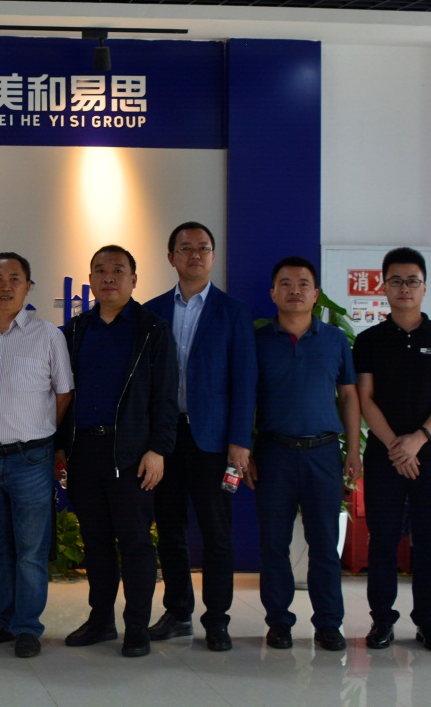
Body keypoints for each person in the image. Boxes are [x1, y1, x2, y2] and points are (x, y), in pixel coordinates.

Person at [56, 245, 177, 658]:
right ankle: (101, 620)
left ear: (134, 279)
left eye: (118, 270)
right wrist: (60, 447)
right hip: (83, 450)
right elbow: (61, 395)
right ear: (90, 279)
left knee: (136, 541)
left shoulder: (152, 329)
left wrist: (158, 449)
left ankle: (137, 626)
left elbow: (165, 396)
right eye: (100, 270)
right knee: (95, 541)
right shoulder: (74, 331)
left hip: (131, 452)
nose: (109, 277)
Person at [143, 222, 256, 652]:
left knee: (216, 533)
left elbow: (245, 381)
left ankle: (217, 619)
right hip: (166, 439)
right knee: (170, 529)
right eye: (185, 248)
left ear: (212, 256)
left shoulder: (233, 312)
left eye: (202, 248)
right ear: (170, 256)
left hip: (215, 441)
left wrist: (240, 440)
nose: (194, 255)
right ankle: (177, 612)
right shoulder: (152, 311)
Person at [0, 252, 72, 658]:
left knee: (30, 552)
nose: (5, 286)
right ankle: (1, 621)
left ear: (28, 286)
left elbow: (63, 393)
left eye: (15, 279)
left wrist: (37, 432)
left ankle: (27, 627)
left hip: (32, 460)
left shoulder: (48, 335)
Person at [354, 247, 431, 652]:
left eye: (412, 281)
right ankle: (382, 620)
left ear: (424, 287)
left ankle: (427, 620)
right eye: (396, 281)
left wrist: (418, 438)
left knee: (429, 542)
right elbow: (365, 399)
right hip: (384, 456)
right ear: (384, 287)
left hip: (430, 456)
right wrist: (395, 446)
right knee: (382, 540)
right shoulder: (369, 340)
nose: (405, 288)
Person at [249, 256, 360, 652]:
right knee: (274, 544)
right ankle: (279, 622)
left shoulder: (334, 340)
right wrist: (245, 450)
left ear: (316, 294)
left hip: (323, 454)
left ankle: (328, 623)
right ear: (272, 293)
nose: (294, 290)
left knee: (324, 544)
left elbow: (349, 396)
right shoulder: (258, 341)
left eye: (303, 284)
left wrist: (353, 451)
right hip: (274, 454)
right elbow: (246, 399)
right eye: (285, 283)